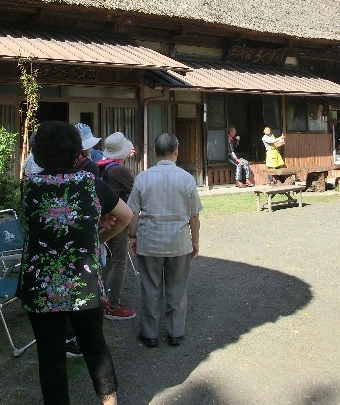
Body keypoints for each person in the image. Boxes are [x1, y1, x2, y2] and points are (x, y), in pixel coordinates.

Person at [19, 121, 133, 405]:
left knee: (49, 353)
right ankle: (109, 402)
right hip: (83, 281)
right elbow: (126, 215)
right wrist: (101, 236)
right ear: (76, 152)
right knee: (94, 345)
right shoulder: (90, 184)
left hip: (40, 281)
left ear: (39, 153)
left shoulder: (29, 187)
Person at [128, 133, 202, 348]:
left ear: (154, 152)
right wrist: (195, 241)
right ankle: (175, 333)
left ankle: (150, 334)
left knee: (150, 288)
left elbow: (132, 212)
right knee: (177, 289)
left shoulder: (143, 177)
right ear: (176, 151)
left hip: (149, 242)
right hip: (179, 243)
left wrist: (133, 236)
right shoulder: (187, 178)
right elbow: (194, 216)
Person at [97, 132, 136, 321]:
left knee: (107, 261)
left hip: (103, 219)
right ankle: (112, 305)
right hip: (117, 220)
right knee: (120, 263)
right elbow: (136, 190)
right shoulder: (119, 171)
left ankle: (100, 298)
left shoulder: (101, 166)